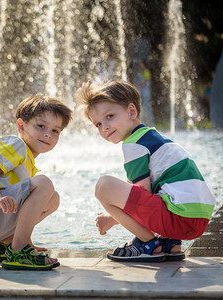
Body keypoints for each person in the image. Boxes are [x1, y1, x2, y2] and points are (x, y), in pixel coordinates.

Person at [75, 80, 215, 262]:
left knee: (104, 186)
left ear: (132, 111)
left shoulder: (134, 144)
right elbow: (141, 192)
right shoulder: (152, 137)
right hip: (197, 218)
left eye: (109, 116)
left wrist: (111, 218)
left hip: (180, 217)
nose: (104, 127)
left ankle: (146, 243)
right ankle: (169, 242)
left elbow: (142, 194)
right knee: (137, 188)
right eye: (98, 124)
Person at [0, 95, 72, 270]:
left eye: (55, 131)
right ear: (21, 126)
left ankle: (5, 244)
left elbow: (25, 207)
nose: (47, 134)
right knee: (44, 183)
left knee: (53, 198)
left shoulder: (29, 162)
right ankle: (19, 251)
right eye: (41, 126)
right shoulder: (16, 145)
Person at [135, 60, 154, 126]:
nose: (140, 66)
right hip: (141, 93)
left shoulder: (146, 72)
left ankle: (151, 123)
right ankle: (143, 122)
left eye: (141, 64)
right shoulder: (140, 72)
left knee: (147, 107)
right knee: (141, 107)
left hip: (146, 93)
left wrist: (136, 86)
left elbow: (144, 82)